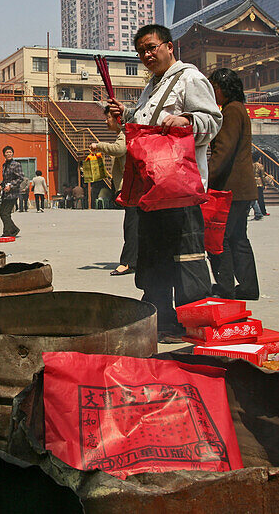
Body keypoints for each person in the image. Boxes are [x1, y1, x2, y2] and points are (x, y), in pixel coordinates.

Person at [106, 24, 222, 344]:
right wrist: (127, 113)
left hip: (180, 189)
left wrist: (188, 121)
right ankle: (161, 318)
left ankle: (191, 321)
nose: (147, 54)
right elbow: (147, 123)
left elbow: (212, 121)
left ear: (170, 47)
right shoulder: (153, 86)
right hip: (153, 189)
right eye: (141, 50)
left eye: (152, 47)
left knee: (184, 257)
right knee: (155, 256)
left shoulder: (190, 78)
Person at [206, 68, 260, 300]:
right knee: (238, 238)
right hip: (242, 188)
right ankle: (248, 287)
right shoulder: (238, 110)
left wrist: (204, 178)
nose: (213, 93)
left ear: (224, 89)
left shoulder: (231, 112)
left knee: (221, 238)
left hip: (231, 188)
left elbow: (223, 151)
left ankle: (225, 287)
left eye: (214, 88)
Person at [91, 107, 135, 276]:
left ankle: (128, 262)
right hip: (129, 187)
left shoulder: (125, 133)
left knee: (131, 226)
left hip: (131, 187)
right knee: (133, 225)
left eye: (108, 117)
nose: (106, 120)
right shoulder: (123, 133)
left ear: (118, 119)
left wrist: (99, 146)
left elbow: (120, 149)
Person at [0, 146, 24, 237]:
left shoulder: (16, 164)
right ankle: (13, 229)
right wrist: (1, 186)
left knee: (5, 213)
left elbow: (20, 178)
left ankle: (8, 231)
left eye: (10, 152)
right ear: (4, 154)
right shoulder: (4, 165)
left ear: (13, 153)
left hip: (13, 192)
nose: (8, 154)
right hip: (5, 193)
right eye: (7, 152)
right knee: (2, 212)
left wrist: (11, 185)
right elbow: (5, 179)